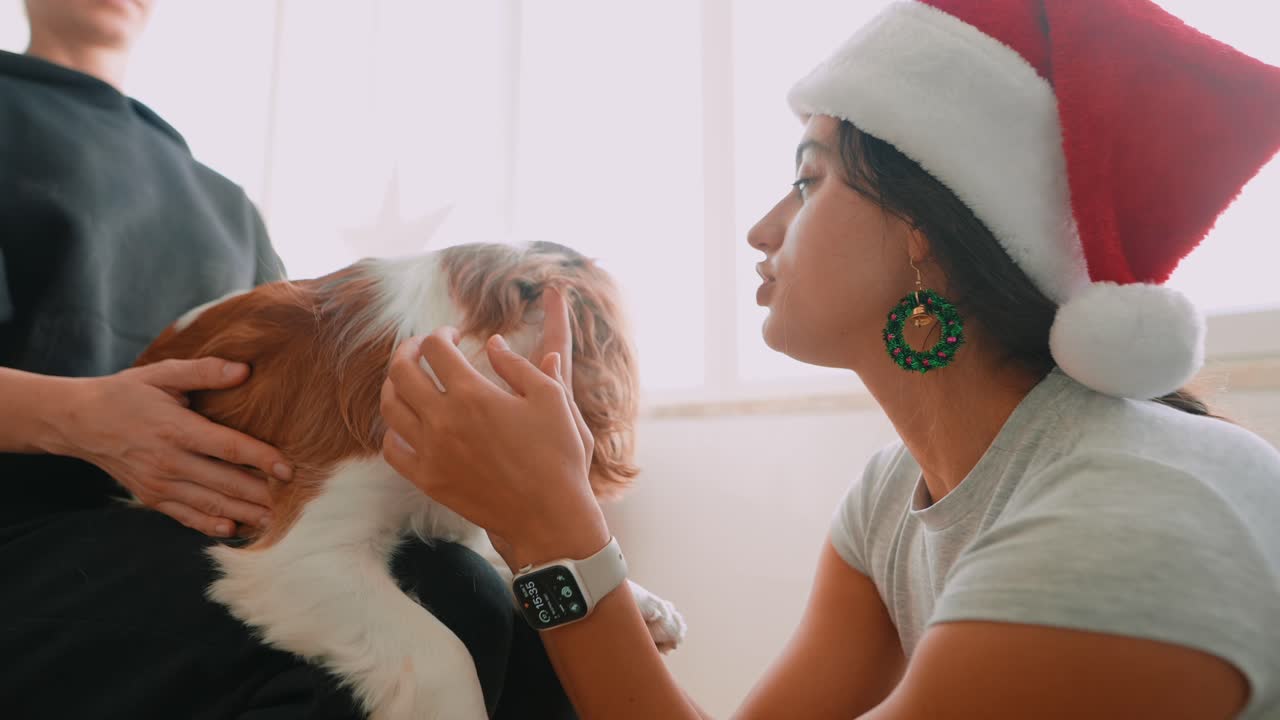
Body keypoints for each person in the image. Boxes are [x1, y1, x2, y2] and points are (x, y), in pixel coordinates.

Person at [382, 1, 1280, 718]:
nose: (762, 229)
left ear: (924, 226)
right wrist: (546, 534)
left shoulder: (1123, 517)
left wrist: (556, 533)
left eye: (808, 180)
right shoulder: (893, 501)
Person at [0, 1, 571, 717]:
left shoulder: (225, 205)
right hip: (25, 543)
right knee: (448, 601)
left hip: (188, 534)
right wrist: (79, 418)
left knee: (484, 599)